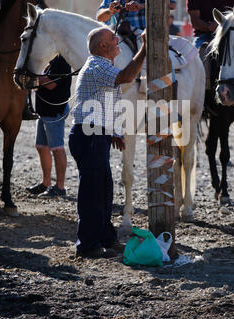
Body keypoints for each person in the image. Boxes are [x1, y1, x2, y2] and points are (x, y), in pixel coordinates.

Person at [68, 26, 146, 259]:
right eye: (113, 38)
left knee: (103, 189)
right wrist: (145, 48)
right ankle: (87, 245)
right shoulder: (98, 65)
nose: (117, 40)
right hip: (89, 135)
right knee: (93, 192)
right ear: (103, 46)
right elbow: (127, 77)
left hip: (94, 134)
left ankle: (105, 239)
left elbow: (105, 103)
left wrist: (113, 131)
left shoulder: (101, 66)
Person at [27, 56, 72, 198]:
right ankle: (46, 183)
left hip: (54, 112)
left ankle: (60, 187)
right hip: (44, 111)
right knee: (41, 146)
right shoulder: (51, 60)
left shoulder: (62, 61)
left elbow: (51, 84)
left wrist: (30, 78)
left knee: (57, 148)